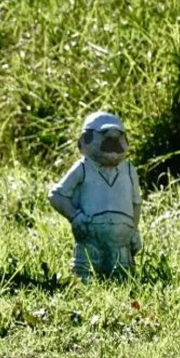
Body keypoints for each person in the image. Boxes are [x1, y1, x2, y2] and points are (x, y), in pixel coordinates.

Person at [48, 110, 143, 280]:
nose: (113, 143)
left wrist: (134, 230)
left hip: (122, 241)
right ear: (84, 141)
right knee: (86, 275)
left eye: (118, 137)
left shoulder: (129, 170)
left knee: (123, 277)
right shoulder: (83, 167)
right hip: (90, 237)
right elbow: (56, 194)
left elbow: (136, 203)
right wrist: (75, 216)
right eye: (105, 137)